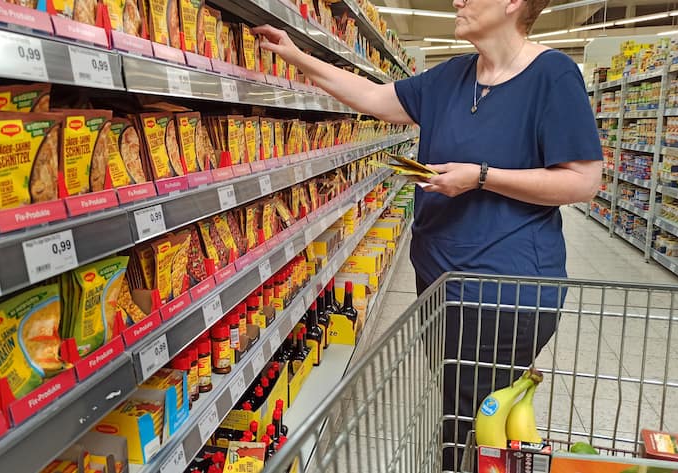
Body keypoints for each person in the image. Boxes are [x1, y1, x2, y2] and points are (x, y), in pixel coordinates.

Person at [255, 0, 601, 469]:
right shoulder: (451, 76)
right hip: (441, 283)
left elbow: (583, 180)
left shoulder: (553, 75)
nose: (457, 1)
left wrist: (481, 176)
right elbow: (375, 98)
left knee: (469, 424)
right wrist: (297, 56)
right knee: (464, 409)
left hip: (503, 288)